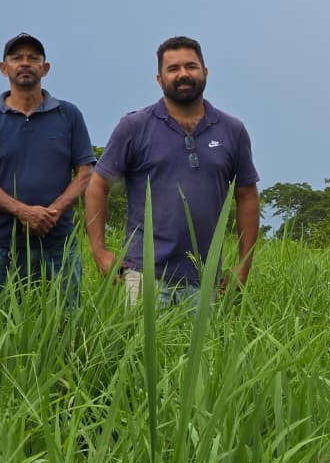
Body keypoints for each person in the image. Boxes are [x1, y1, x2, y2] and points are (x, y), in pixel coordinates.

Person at [85, 35, 260, 306]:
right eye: (173, 68)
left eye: (190, 66)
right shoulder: (134, 127)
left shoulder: (231, 130)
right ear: (159, 79)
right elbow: (98, 186)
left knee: (207, 349)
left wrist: (243, 264)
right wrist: (98, 249)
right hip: (142, 274)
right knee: (140, 347)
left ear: (205, 72)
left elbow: (247, 195)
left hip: (205, 278)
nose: (183, 74)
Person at [0, 33, 95, 298]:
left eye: (33, 58)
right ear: (4, 68)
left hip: (56, 243)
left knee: (63, 323)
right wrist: (22, 211)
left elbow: (86, 173)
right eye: (16, 58)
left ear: (44, 68)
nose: (25, 63)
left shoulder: (68, 115)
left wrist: (53, 212)